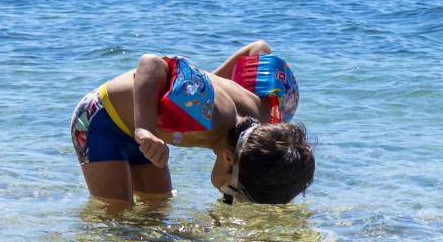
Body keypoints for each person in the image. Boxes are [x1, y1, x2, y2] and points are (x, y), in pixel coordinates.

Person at [69, 40, 313, 205]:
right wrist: (143, 128)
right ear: (229, 158)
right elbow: (150, 63)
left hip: (149, 136)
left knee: (159, 207)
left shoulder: (261, 117)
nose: (227, 197)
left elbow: (259, 49)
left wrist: (208, 82)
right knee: (118, 217)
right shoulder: (201, 116)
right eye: (233, 193)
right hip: (99, 122)